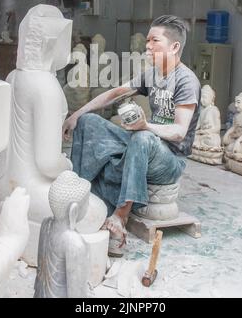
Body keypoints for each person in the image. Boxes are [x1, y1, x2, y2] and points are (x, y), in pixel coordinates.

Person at [63, 15, 201, 256]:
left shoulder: (186, 80)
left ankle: (120, 216)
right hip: (147, 141)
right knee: (89, 122)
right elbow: (115, 93)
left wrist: (146, 126)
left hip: (170, 158)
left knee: (142, 137)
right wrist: (77, 113)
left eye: (154, 40)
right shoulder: (154, 74)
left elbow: (179, 132)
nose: (148, 45)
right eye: (147, 40)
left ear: (174, 46)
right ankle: (81, 192)